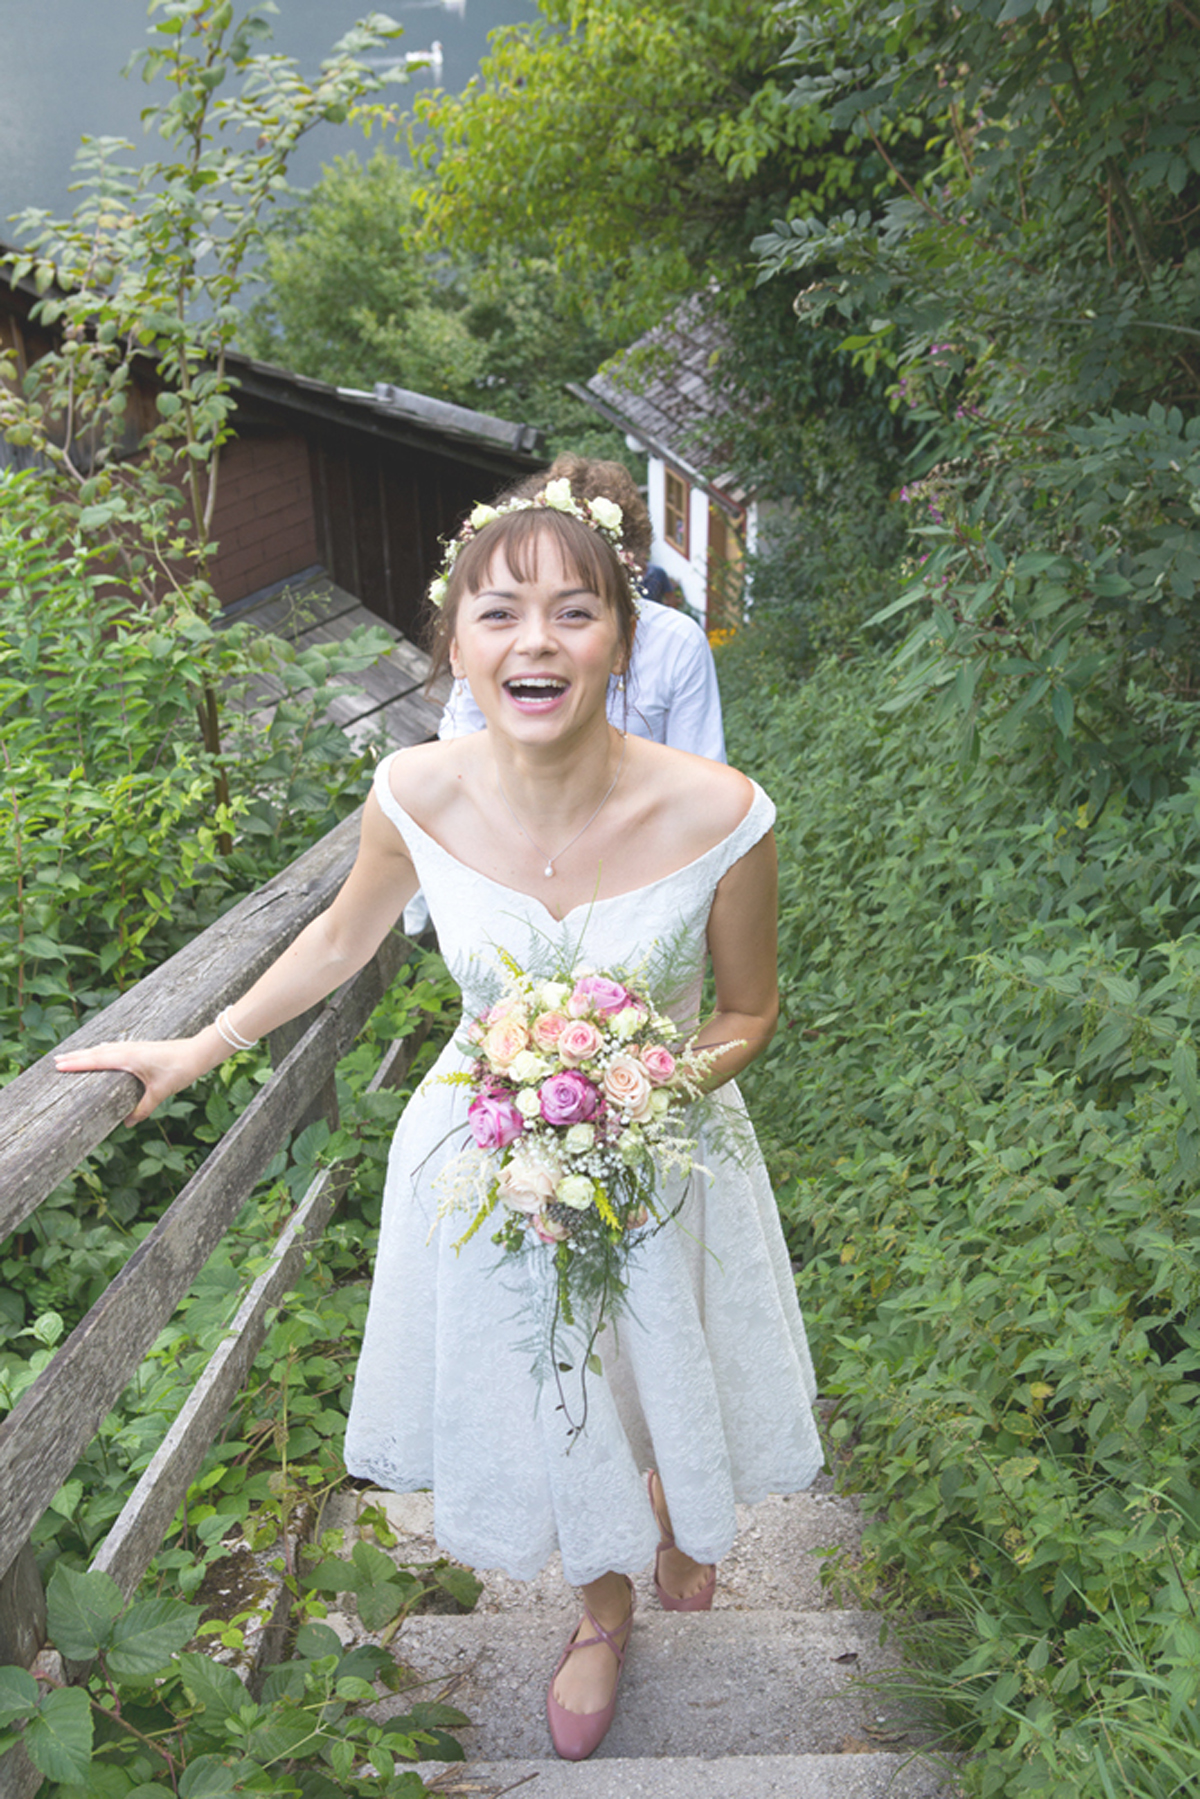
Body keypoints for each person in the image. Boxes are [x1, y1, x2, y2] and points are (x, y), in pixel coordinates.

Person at [55, 469, 823, 1762]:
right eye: (501, 613)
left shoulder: (722, 813)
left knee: (653, 1356)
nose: (537, 640)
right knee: (556, 1383)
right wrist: (200, 1045)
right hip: (488, 1170)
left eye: (575, 612)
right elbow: (341, 943)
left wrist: (641, 1086)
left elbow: (750, 1011)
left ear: (623, 639)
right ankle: (598, 1614)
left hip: (666, 1155)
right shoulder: (412, 792)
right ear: (455, 643)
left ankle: (678, 1503)